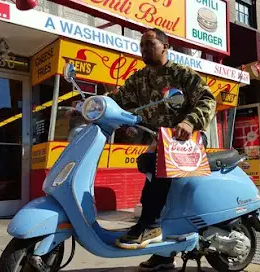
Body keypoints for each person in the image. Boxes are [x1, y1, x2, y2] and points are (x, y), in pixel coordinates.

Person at [106, 27, 217, 271]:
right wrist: (94, 104)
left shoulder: (181, 74)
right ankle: (164, 253)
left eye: (150, 44)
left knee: (157, 169)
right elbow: (118, 98)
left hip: (189, 138)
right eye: (142, 45)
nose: (144, 49)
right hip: (161, 142)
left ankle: (151, 225)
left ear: (165, 46)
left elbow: (208, 99)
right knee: (148, 170)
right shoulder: (139, 79)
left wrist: (189, 121)